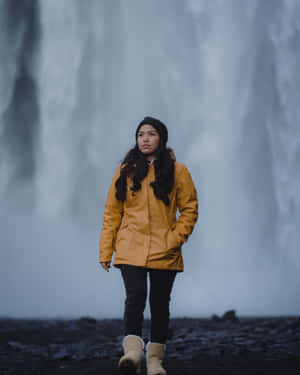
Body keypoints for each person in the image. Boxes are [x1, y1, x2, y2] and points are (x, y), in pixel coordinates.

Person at [99, 116, 198, 375]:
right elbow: (112, 212)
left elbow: (189, 209)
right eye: (141, 134)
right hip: (130, 246)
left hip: (165, 249)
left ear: (161, 138)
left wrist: (175, 238)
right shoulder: (125, 170)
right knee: (135, 298)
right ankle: (132, 353)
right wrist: (105, 250)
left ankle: (155, 361)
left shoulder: (179, 171)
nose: (145, 138)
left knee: (160, 303)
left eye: (151, 133)